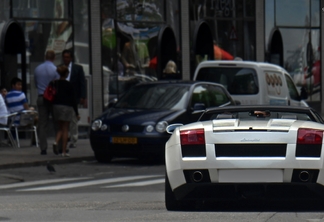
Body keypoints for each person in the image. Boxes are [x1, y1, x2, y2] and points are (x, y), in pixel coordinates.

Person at [34, 50, 60, 155]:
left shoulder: (37, 69)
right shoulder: (55, 70)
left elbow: (36, 84)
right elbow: (57, 85)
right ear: (54, 58)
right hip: (53, 98)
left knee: (42, 124)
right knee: (56, 123)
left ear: (45, 57)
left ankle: (43, 148)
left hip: (41, 97)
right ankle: (57, 146)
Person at [52, 65, 79, 157]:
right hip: (66, 107)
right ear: (66, 73)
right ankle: (63, 151)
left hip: (56, 106)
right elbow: (73, 100)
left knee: (60, 127)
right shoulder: (69, 85)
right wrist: (76, 112)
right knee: (65, 129)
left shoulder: (55, 83)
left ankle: (56, 141)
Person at [61, 49, 86, 149]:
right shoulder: (60, 68)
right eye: (64, 57)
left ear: (71, 58)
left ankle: (74, 139)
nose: (66, 59)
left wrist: (83, 96)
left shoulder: (77, 68)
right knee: (64, 119)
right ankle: (65, 137)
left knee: (73, 119)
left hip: (73, 96)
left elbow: (82, 83)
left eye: (67, 57)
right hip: (63, 97)